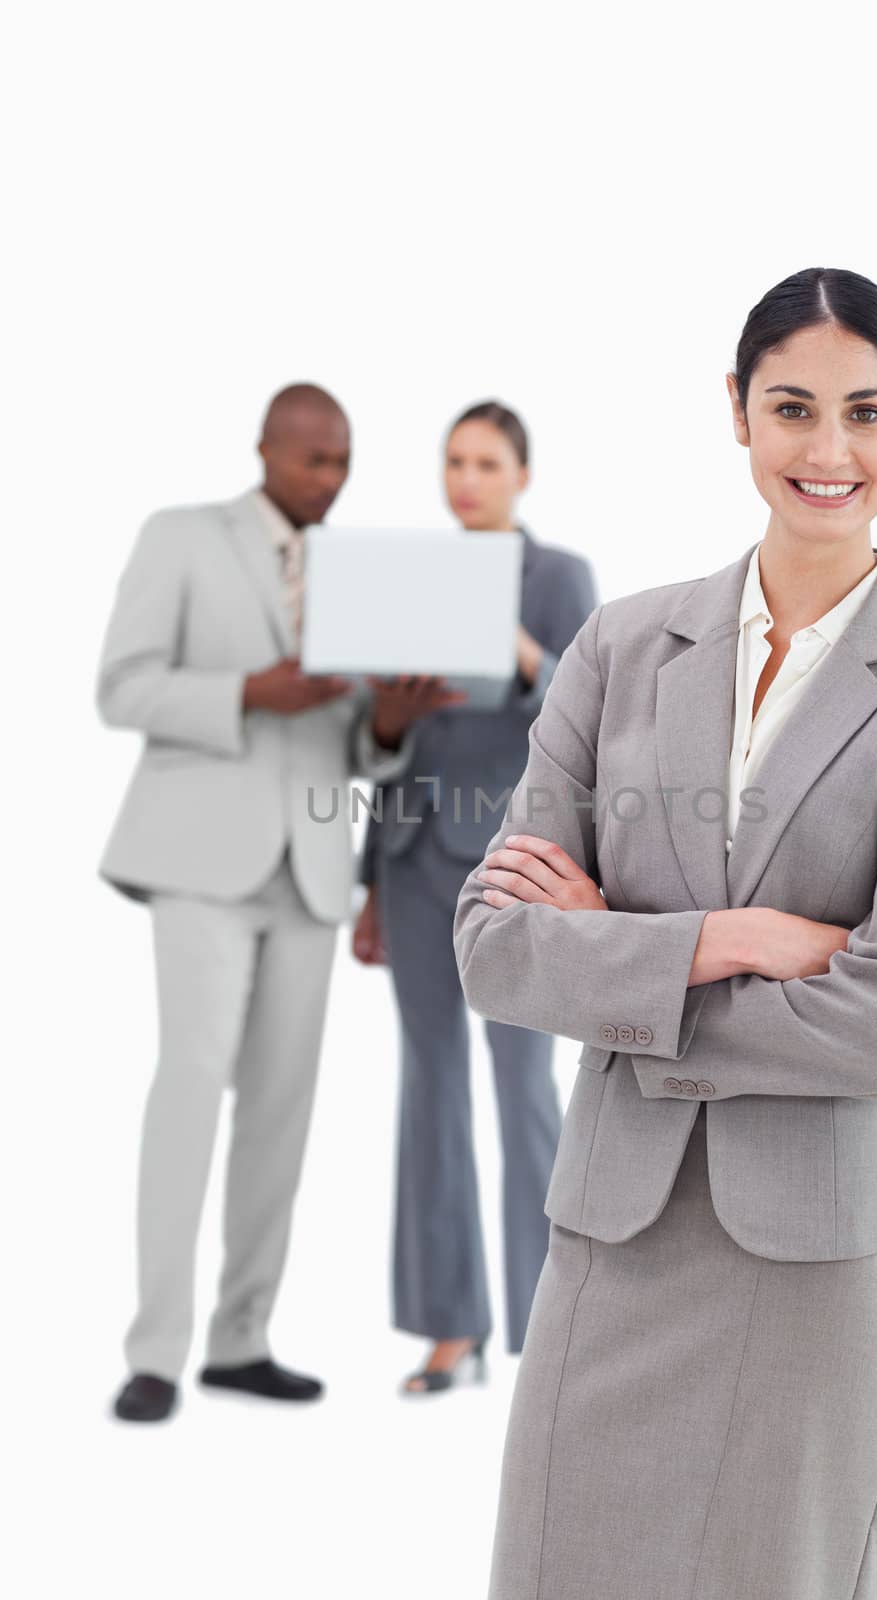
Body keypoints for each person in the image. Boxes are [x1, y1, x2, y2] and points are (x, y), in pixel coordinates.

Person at [453, 271, 877, 1598]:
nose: (826, 453)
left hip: (807, 1266)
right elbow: (492, 950)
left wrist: (617, 963)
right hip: (610, 1241)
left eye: (863, 413)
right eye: (790, 409)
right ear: (735, 413)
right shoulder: (616, 646)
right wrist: (744, 938)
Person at [98, 383, 425, 1423]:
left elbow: (360, 751)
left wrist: (387, 722)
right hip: (200, 858)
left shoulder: (363, 576)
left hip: (311, 866)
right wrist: (248, 690)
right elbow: (122, 686)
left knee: (282, 1108)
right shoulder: (181, 537)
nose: (327, 479)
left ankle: (241, 1338)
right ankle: (155, 1350)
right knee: (191, 1087)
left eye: (342, 463)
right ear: (266, 450)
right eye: (312, 459)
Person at [350, 401, 598, 1394]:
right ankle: (448, 1325)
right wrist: (369, 881)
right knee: (429, 1083)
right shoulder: (414, 577)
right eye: (453, 461)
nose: (465, 479)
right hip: (412, 855)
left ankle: (551, 1331)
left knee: (522, 1084)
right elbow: (394, 741)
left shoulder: (557, 577)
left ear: (520, 475)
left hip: (513, 864)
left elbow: (593, 713)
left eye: (485, 462)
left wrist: (519, 648)